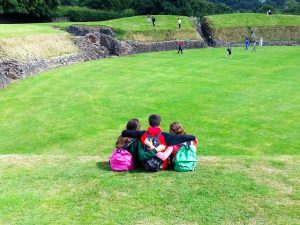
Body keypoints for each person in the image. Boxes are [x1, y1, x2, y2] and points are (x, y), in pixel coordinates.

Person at [121, 114, 197, 169]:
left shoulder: (142, 134)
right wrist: (192, 137)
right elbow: (180, 137)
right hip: (162, 165)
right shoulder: (165, 136)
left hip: (146, 164)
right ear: (159, 123)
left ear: (149, 123)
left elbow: (124, 132)